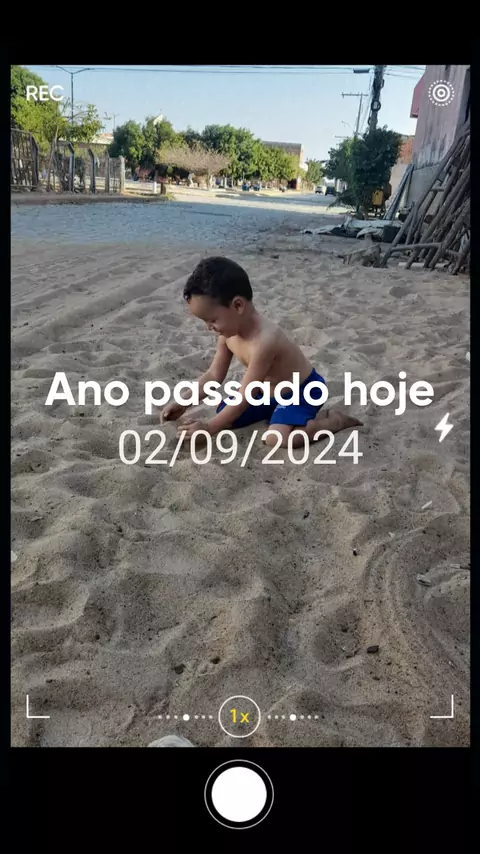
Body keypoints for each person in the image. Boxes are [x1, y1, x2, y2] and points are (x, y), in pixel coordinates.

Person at [162, 257, 360, 447]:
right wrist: (183, 402)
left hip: (302, 391)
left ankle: (333, 422)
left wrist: (208, 428)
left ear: (238, 305)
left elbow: (246, 395)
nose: (209, 327)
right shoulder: (228, 335)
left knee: (277, 439)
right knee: (224, 412)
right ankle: (277, 413)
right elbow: (213, 375)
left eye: (212, 320)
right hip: (265, 393)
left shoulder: (265, 341)